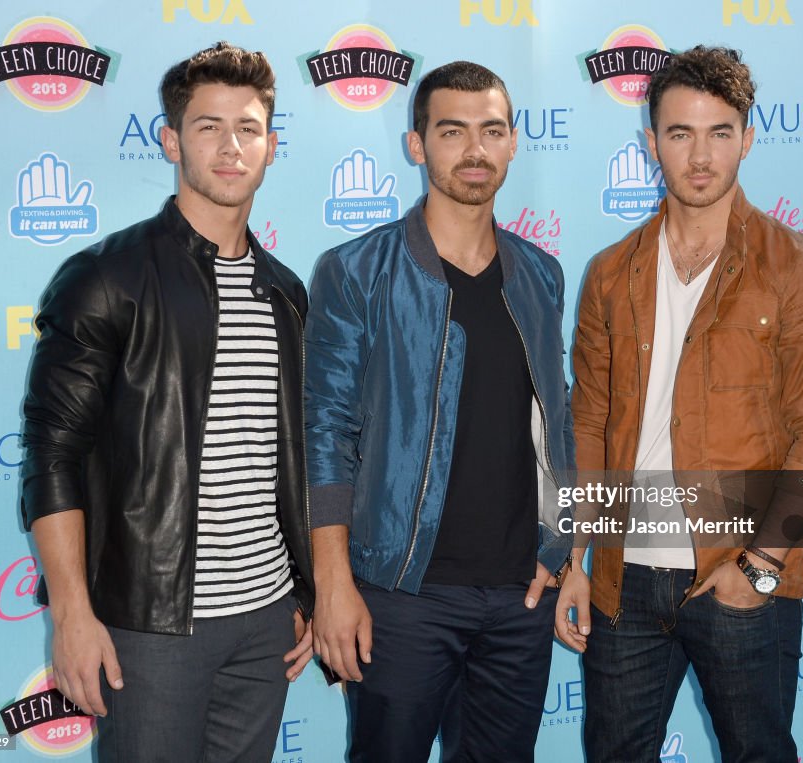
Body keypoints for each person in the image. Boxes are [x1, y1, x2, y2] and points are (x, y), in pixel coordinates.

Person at [20, 42, 314, 761]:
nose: (230, 146)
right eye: (208, 126)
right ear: (170, 139)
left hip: (267, 617)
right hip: (149, 624)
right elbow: (53, 456)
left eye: (247, 127)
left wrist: (303, 591)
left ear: (271, 146)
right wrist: (72, 614)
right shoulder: (105, 278)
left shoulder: (286, 291)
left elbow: (291, 458)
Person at [572, 46, 803, 762]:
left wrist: (761, 565)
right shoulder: (608, 273)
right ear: (650, 143)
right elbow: (590, 420)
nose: (700, 156)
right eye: (680, 133)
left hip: (740, 574)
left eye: (720, 132)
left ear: (748, 138)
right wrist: (576, 555)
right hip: (623, 582)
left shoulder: (799, 267)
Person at [304, 60, 590, 762]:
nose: (474, 150)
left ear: (514, 142)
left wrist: (569, 552)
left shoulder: (540, 273)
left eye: (491, 130)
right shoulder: (356, 270)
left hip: (520, 595)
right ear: (417, 144)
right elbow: (325, 432)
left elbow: (558, 426)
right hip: (402, 593)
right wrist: (332, 584)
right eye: (453, 130)